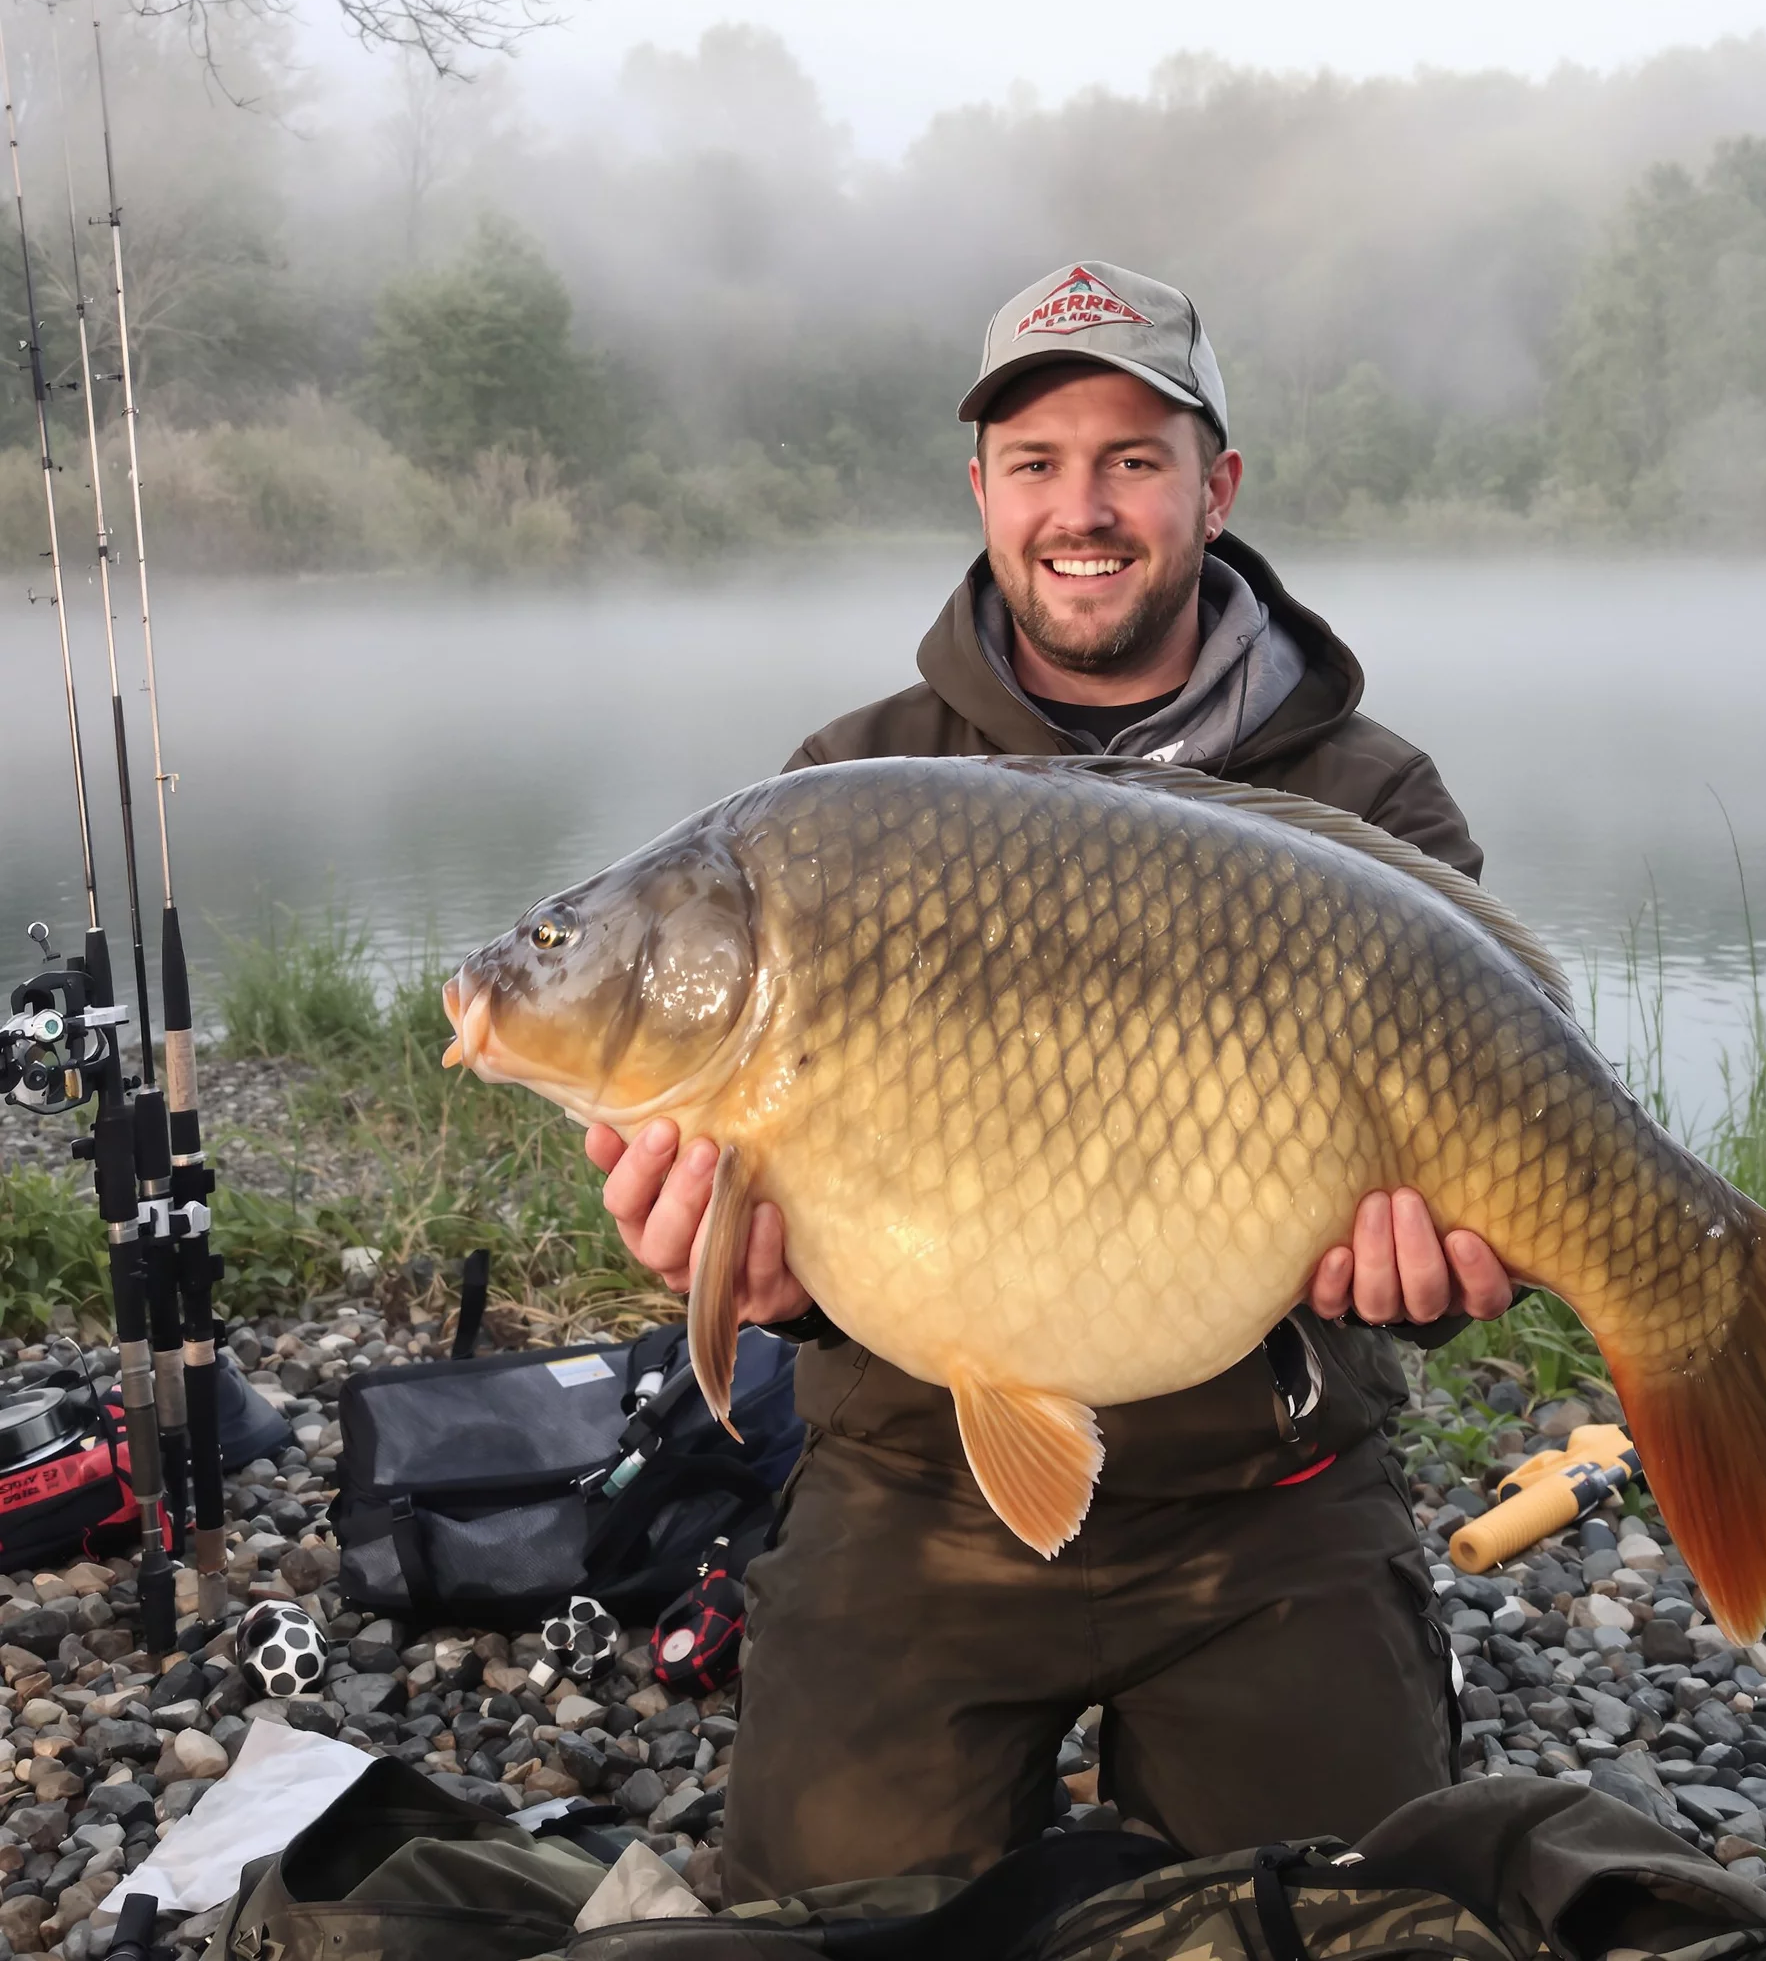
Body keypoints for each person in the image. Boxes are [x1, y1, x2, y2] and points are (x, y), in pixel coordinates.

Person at [586, 260, 1520, 1903]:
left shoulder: (1368, 799)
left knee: (1352, 1920)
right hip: (914, 1484)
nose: (1079, 510)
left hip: (1272, 1498)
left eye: (1131, 460)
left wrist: (1439, 1281)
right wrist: (764, 1283)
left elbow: (1461, 1214)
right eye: (1036, 462)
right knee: (825, 1924)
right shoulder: (842, 794)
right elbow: (812, 1253)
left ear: (1216, 488)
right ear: (982, 492)